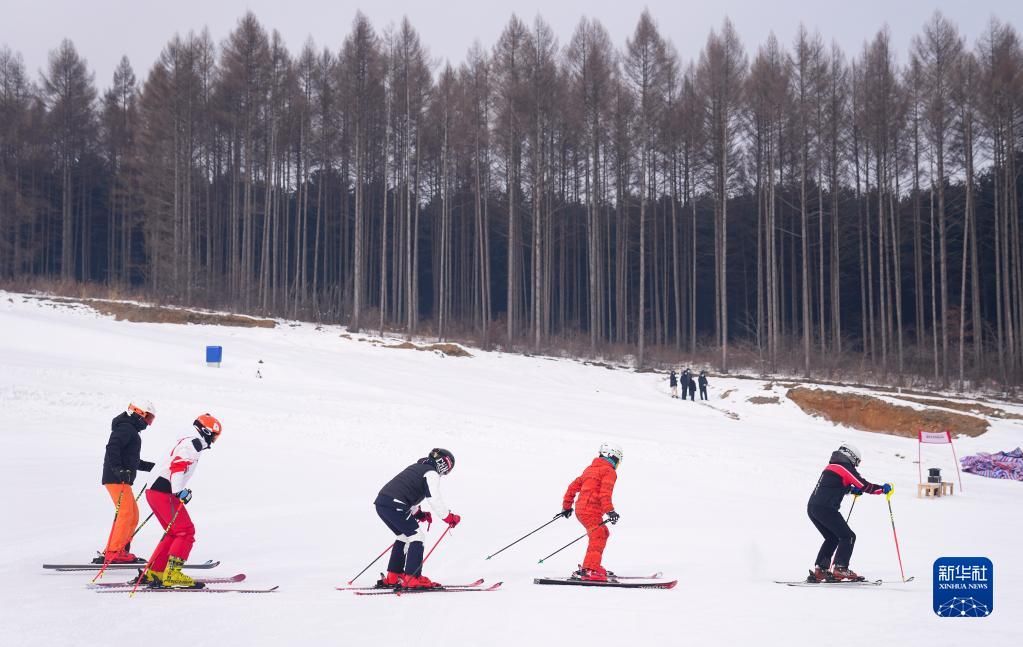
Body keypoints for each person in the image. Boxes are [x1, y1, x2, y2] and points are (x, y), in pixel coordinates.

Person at [142, 413, 222, 588]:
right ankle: (172, 574)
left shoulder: (187, 440)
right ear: (206, 431)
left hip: (156, 491)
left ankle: (155, 572)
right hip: (164, 492)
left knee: (174, 532)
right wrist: (179, 491)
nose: (215, 440)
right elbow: (177, 466)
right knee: (186, 531)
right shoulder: (193, 444)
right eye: (214, 436)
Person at [374, 448, 461, 589]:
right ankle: (413, 578)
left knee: (403, 536)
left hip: (382, 503)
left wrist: (419, 514)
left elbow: (406, 492)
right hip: (396, 504)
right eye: (448, 469)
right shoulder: (431, 473)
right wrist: (449, 517)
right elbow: (434, 498)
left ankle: (393, 576)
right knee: (417, 537)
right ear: (444, 464)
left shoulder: (417, 467)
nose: (445, 473)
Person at [806, 443, 892, 582]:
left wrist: (851, 490)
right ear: (851, 457)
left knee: (832, 537)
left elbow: (834, 486)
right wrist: (882, 489)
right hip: (826, 508)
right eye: (856, 462)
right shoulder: (843, 467)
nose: (855, 466)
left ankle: (821, 570)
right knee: (848, 536)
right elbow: (864, 485)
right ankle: (841, 568)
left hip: (813, 508)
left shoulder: (832, 467)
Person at [98, 400, 156, 564]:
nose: (148, 423)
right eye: (148, 418)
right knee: (126, 513)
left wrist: (154, 467)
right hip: (116, 478)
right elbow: (112, 448)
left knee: (133, 514)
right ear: (139, 413)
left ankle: (119, 549)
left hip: (121, 478)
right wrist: (118, 469)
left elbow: (132, 461)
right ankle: (114, 551)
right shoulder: (125, 428)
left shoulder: (131, 431)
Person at [559, 443, 622, 582]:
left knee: (602, 532)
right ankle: (590, 570)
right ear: (613, 457)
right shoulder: (609, 471)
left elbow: (573, 486)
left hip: (582, 509)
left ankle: (592, 566)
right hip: (590, 510)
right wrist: (610, 511)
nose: (618, 464)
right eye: (618, 460)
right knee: (598, 535)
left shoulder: (590, 469)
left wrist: (567, 507)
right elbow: (605, 493)